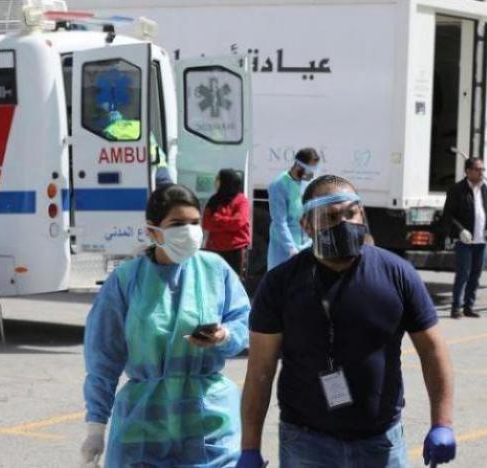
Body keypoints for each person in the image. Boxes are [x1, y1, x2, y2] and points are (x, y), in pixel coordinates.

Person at [238, 175, 456, 468]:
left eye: (351, 213)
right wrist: (249, 447)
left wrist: (442, 423)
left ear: (362, 215)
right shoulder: (280, 283)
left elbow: (433, 350)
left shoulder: (397, 274)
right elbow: (260, 371)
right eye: (330, 217)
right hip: (306, 445)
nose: (343, 223)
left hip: (380, 442)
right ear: (306, 225)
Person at [81, 184, 250, 467]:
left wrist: (224, 336)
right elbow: (103, 357)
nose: (189, 231)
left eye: (194, 223)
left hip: (208, 425)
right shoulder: (126, 280)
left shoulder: (214, 270)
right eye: (177, 224)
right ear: (153, 230)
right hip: (143, 427)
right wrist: (96, 428)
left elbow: (243, 323)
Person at [441, 157, 487, 319]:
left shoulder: (485, 190)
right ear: (468, 171)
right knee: (463, 274)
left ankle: (469, 307)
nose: (481, 173)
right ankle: (456, 308)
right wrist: (460, 231)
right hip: (465, 241)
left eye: (483, 169)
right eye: (478, 169)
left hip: (481, 240)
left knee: (475, 275)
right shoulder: (457, 190)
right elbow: (448, 216)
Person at [267, 147, 320, 270]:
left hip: (305, 246)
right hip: (284, 249)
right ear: (298, 166)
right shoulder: (279, 185)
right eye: (309, 170)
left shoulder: (308, 183)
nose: (311, 174)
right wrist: (291, 247)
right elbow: (280, 221)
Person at [203, 169, 251, 276]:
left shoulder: (241, 200)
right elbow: (206, 223)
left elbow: (238, 222)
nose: (215, 182)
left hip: (235, 250)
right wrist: (228, 222)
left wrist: (217, 220)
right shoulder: (213, 200)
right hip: (214, 249)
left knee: (233, 281)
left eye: (218, 179)